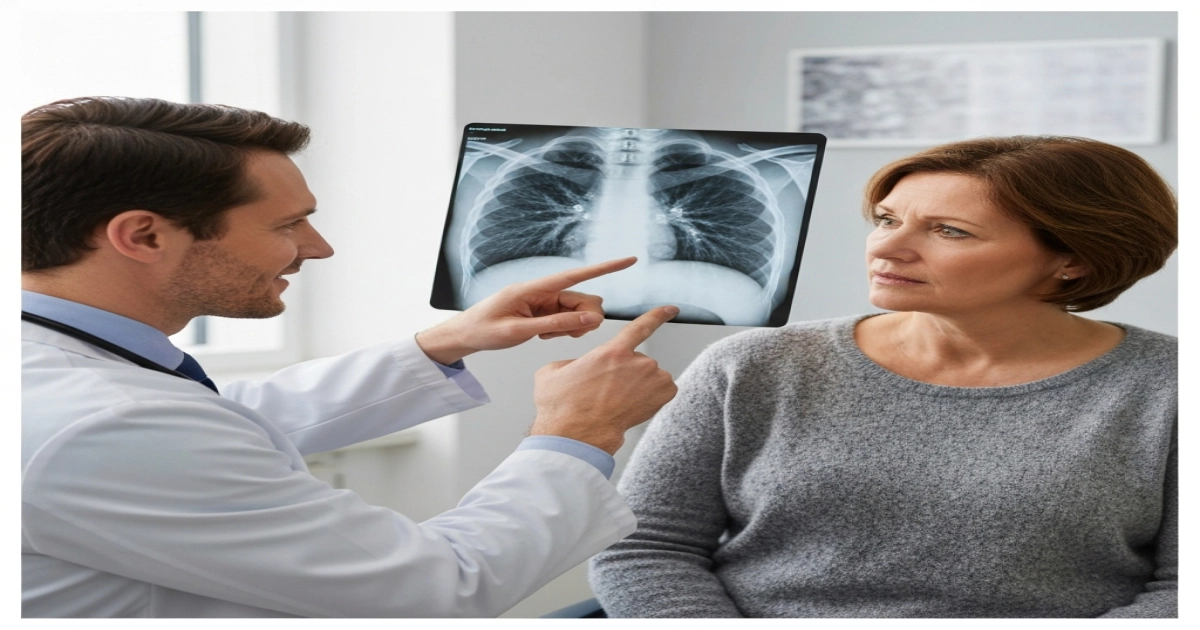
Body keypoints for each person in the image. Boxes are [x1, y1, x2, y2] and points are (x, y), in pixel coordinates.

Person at [21, 96, 679, 617]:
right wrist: (578, 430)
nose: (318, 248)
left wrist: (446, 342)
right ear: (143, 235)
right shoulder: (107, 426)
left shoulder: (61, 376)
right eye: (287, 225)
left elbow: (217, 422)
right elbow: (437, 589)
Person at [589, 136, 1177, 618]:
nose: (887, 248)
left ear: (1074, 260)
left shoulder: (1170, 385)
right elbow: (645, 548)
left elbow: (1182, 591)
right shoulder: (752, 365)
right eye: (887, 219)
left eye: (949, 230)